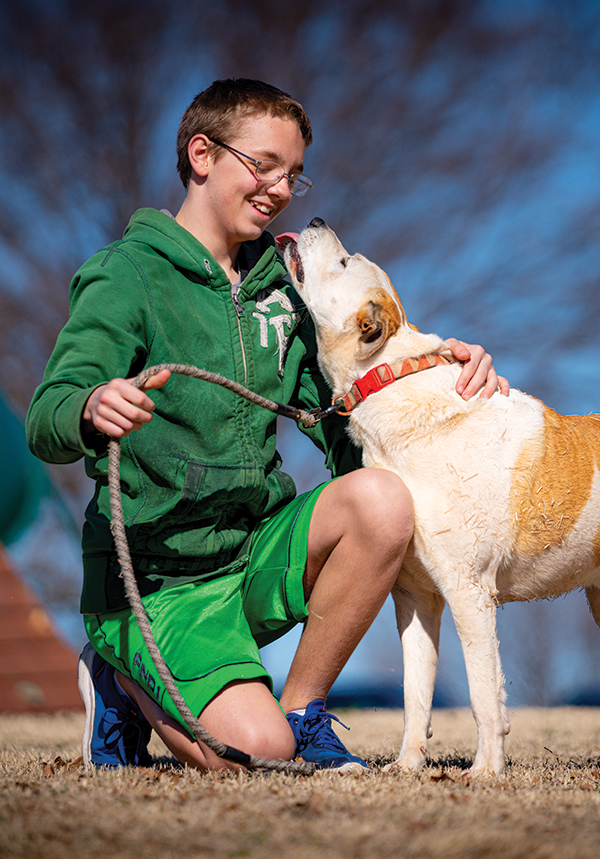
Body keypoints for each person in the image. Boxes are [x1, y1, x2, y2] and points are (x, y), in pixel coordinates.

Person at [26, 78, 508, 774]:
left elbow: (348, 425)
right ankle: (119, 671)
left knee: (383, 501)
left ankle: (303, 710)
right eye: (264, 165)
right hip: (161, 581)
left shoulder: (284, 287)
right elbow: (47, 416)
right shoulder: (125, 275)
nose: (280, 188)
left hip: (253, 554)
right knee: (252, 756)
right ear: (201, 154)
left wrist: (442, 382)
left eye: (293, 175)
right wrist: (89, 404)